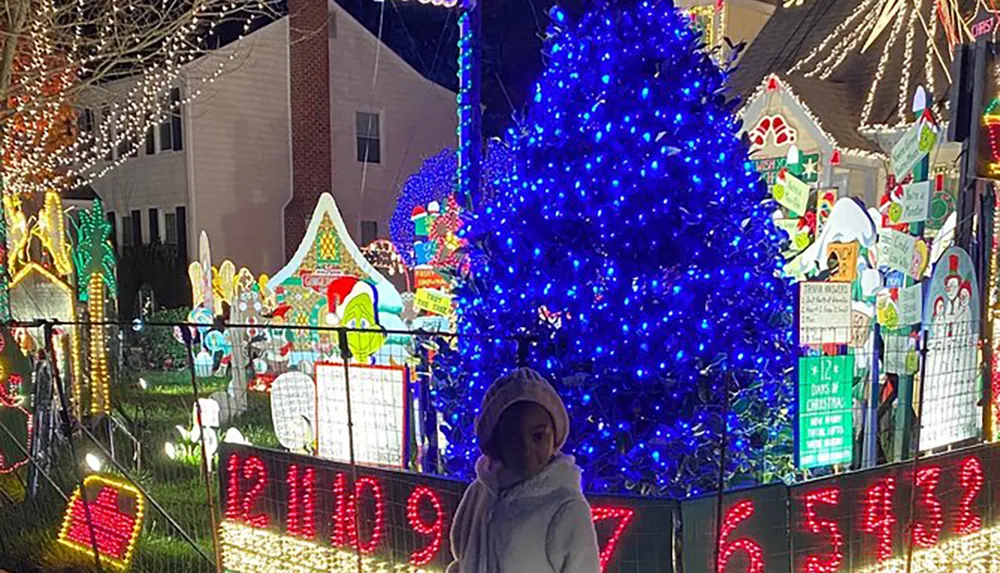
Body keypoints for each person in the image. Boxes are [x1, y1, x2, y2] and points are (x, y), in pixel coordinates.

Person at [447, 367, 600, 573]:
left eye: (538, 436)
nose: (526, 450)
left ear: (555, 435)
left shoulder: (566, 508)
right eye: (513, 438)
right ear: (495, 441)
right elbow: (462, 556)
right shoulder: (478, 493)